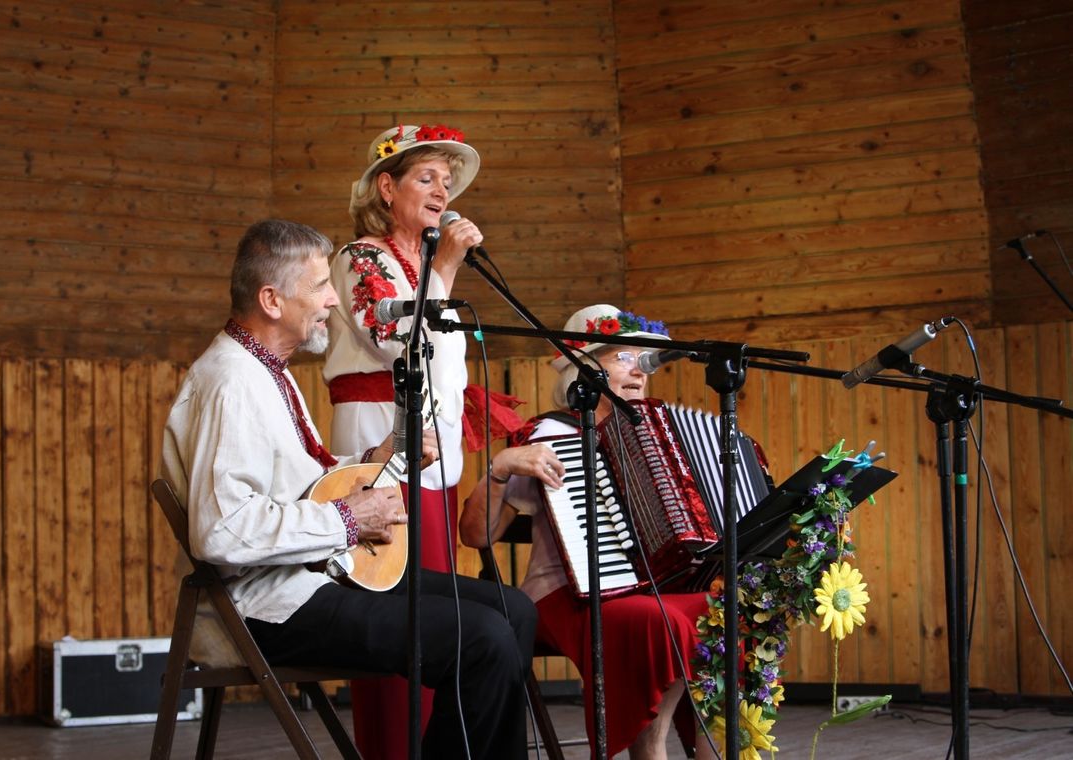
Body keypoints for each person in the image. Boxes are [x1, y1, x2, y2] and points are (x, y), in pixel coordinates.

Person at [162, 219, 536, 758]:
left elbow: (297, 479)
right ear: (271, 299)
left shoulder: (267, 369)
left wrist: (371, 460)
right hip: (269, 605)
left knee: (514, 610)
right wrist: (347, 519)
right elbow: (222, 531)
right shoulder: (230, 383)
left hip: (313, 576)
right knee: (484, 637)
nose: (335, 300)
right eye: (319, 286)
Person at [459, 304, 716, 760]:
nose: (638, 371)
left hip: (649, 588)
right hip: (565, 594)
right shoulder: (551, 435)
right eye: (622, 357)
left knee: (721, 608)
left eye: (644, 361)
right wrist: (498, 470)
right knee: (660, 620)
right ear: (583, 370)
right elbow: (476, 536)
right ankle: (650, 750)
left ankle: (709, 751)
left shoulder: (661, 438)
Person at [323, 122, 508, 757]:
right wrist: (447, 269)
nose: (441, 191)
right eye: (426, 178)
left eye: (446, 182)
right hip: (379, 449)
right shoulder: (360, 258)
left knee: (438, 612)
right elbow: (391, 337)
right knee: (394, 609)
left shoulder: (423, 266)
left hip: (433, 460)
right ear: (386, 186)